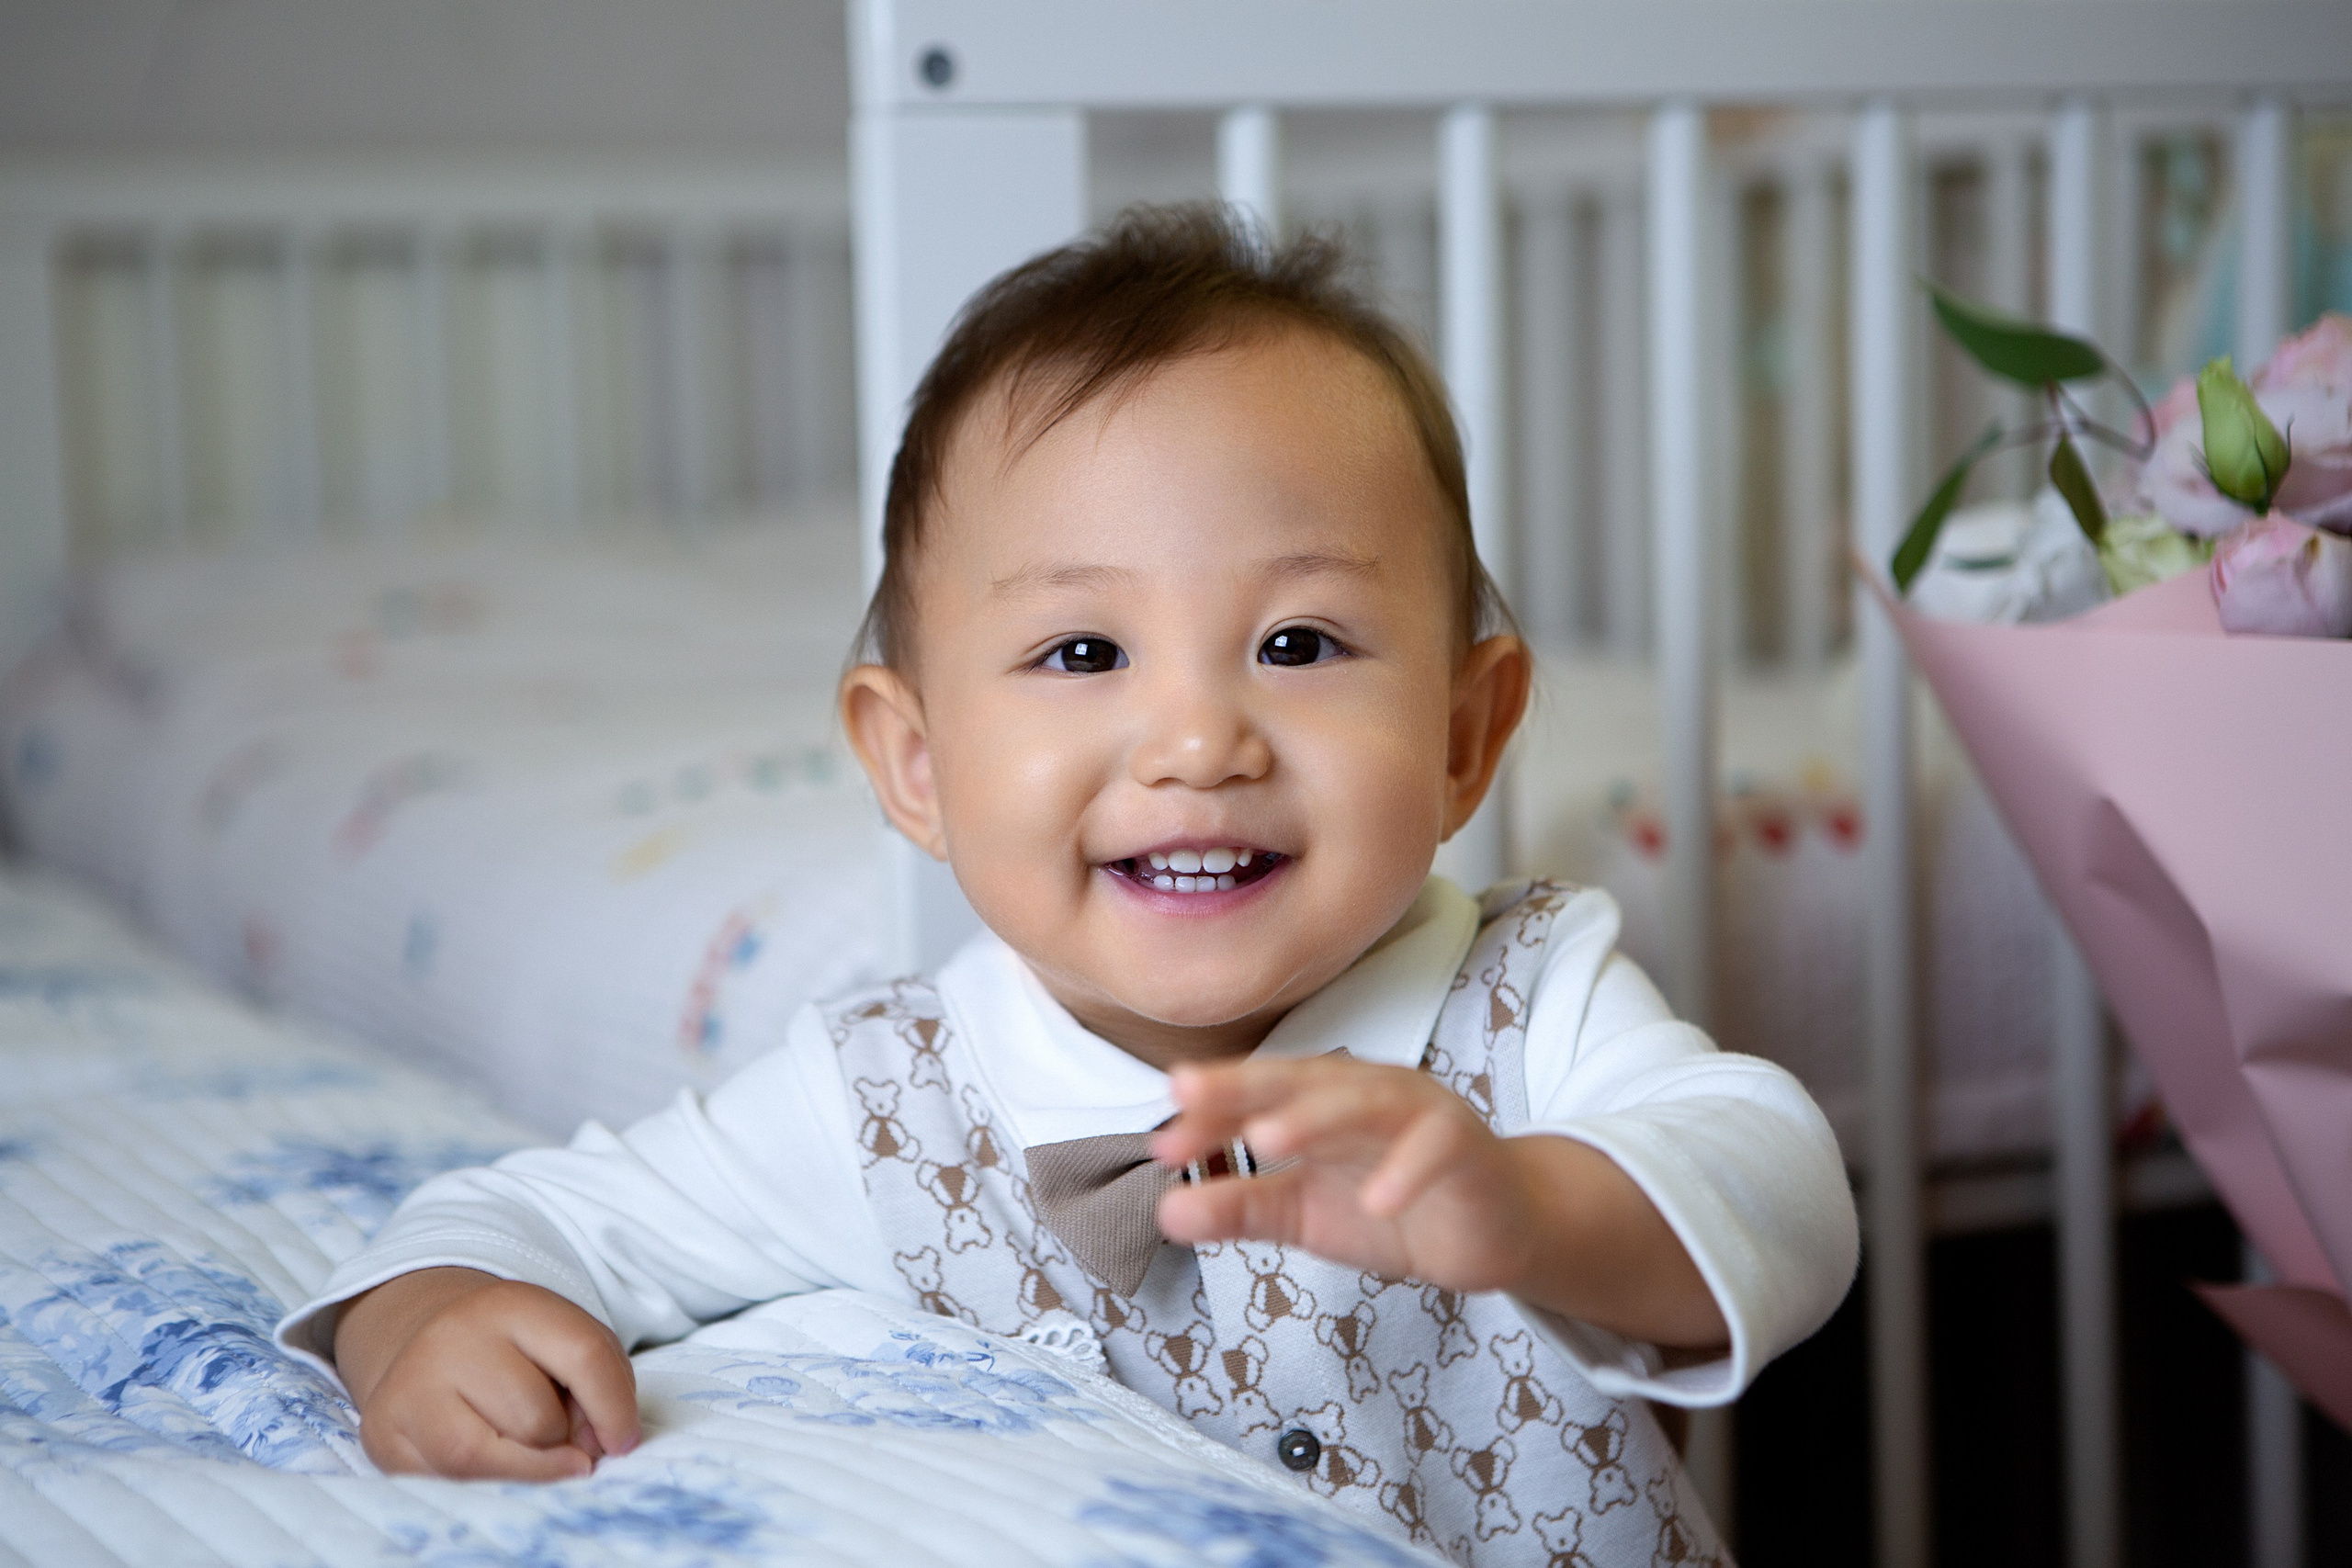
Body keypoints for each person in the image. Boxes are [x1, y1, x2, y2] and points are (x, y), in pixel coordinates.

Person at [279, 204, 1856, 1565]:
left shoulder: (1526, 1000)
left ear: (1464, 736)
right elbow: (540, 1216)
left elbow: (1781, 1189)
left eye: (1297, 644)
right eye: (1082, 651)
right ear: (914, 765)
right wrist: (418, 1321)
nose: (1194, 736)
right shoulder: (889, 1097)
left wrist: (1525, 1204)